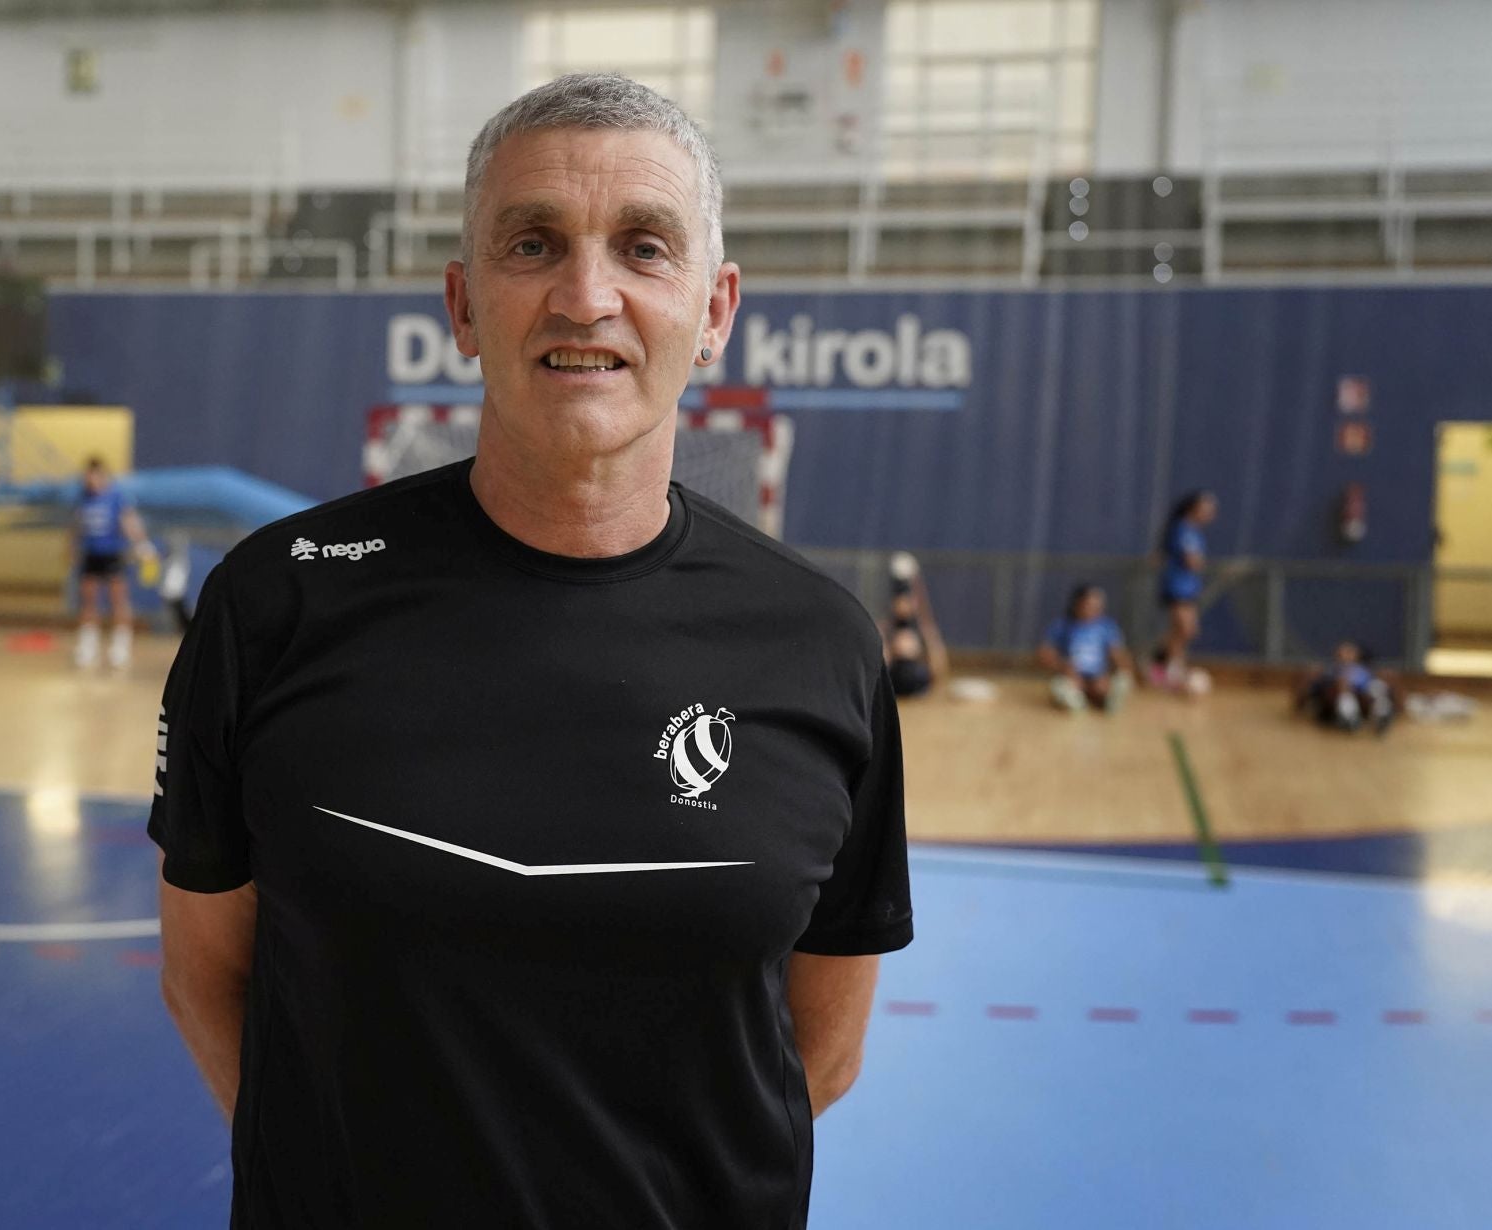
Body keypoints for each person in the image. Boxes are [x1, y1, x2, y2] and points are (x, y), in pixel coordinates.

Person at [149, 74, 912, 1230]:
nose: (586, 297)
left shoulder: (823, 646)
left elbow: (827, 1047)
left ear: (715, 311)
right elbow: (205, 973)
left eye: (644, 248)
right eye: (533, 244)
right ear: (463, 305)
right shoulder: (276, 600)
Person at [72, 458, 153, 669]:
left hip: (113, 555)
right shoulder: (83, 498)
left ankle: (120, 647)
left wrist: (142, 544)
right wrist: (72, 547)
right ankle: (88, 645)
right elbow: (77, 525)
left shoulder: (116, 497)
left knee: (118, 600)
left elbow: (129, 522)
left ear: (103, 476)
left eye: (94, 476)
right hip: (91, 555)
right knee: (88, 600)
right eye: (87, 476)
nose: (91, 480)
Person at [1150, 489, 1217, 691]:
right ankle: (1172, 673)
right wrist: (1196, 562)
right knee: (1184, 629)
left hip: (1189, 588)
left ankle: (1158, 664)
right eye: (1205, 509)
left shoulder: (1194, 532)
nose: (1210, 514)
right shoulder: (1182, 529)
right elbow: (1191, 561)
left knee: (1187, 631)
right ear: (1192, 508)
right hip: (1177, 587)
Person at [1039, 583, 1134, 713]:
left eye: (1098, 606)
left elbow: (1118, 655)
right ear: (1077, 604)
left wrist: (1114, 673)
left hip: (1098, 676)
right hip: (1072, 676)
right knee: (1061, 687)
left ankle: (1107, 698)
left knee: (1115, 683)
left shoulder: (1107, 627)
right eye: (1090, 605)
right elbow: (1044, 654)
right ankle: (1075, 701)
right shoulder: (1062, 625)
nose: (1095, 610)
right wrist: (1063, 667)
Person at [882, 552, 948, 698]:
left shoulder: (913, 627)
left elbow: (938, 667)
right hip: (899, 677)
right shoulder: (895, 629)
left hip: (911, 678)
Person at [1296, 640, 1395, 735]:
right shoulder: (1331, 671)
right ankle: (1348, 718)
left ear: (1357, 655)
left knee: (1377, 686)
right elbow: (1316, 690)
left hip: (1364, 699)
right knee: (1343, 687)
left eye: (1350, 652)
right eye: (1343, 653)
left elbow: (1373, 685)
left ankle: (1382, 714)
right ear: (1337, 656)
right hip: (1338, 704)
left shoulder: (1364, 671)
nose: (1347, 656)